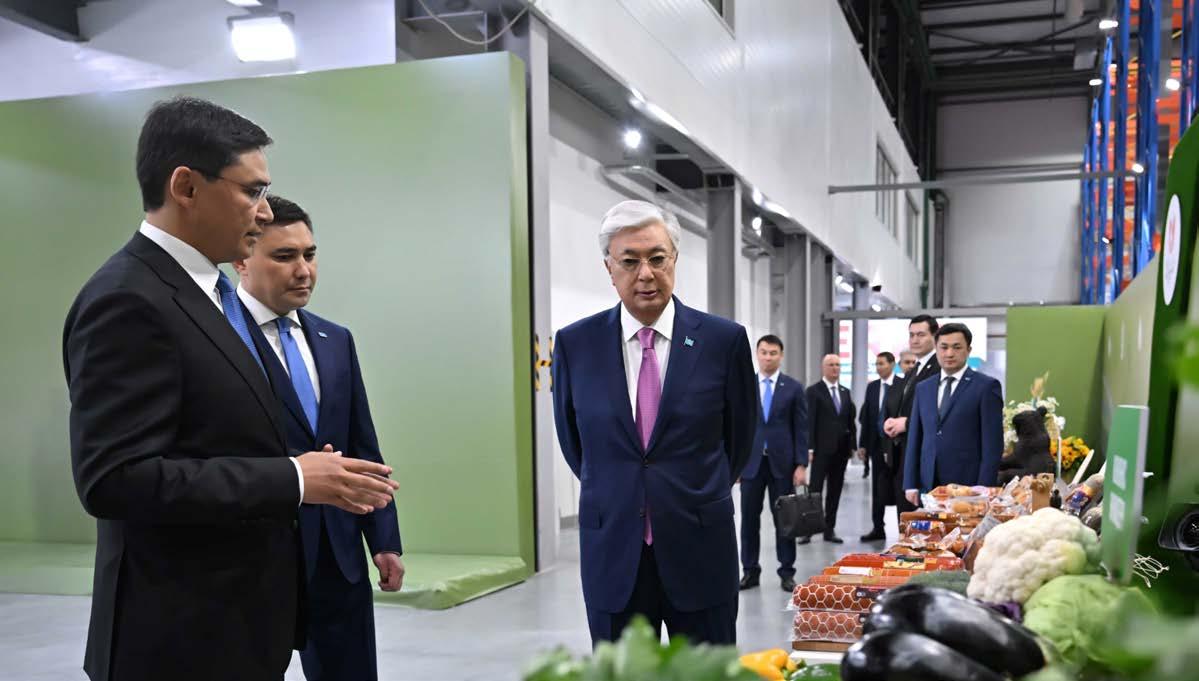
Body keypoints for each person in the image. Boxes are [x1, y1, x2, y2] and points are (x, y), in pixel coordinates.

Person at [62, 97, 397, 681]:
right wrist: (294, 479)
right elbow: (115, 479)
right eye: (252, 191)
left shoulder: (209, 297)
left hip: (238, 627)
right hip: (178, 638)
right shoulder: (128, 300)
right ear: (186, 187)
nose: (264, 213)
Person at [552, 200, 756, 646]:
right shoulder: (575, 345)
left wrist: (695, 489)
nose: (645, 274)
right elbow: (575, 443)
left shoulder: (723, 342)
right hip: (614, 552)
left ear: (674, 259)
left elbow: (740, 438)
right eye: (629, 261)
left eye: (657, 258)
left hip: (701, 548)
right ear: (609, 268)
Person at [233, 195, 403, 681]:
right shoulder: (218, 339)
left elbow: (362, 447)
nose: (303, 270)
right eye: (284, 256)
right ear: (242, 259)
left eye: (309, 254)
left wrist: (383, 540)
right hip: (253, 558)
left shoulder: (335, 340)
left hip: (336, 556)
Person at [738, 335, 808, 593]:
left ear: (781, 355)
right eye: (764, 352)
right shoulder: (744, 385)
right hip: (751, 464)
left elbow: (801, 428)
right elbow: (736, 425)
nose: (768, 357)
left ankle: (787, 572)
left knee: (785, 520)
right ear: (757, 354)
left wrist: (801, 464)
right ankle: (750, 571)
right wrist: (734, 463)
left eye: (773, 353)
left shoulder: (793, 388)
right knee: (749, 521)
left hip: (783, 465)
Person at [903, 323, 1004, 501]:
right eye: (944, 347)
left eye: (957, 347)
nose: (949, 353)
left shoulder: (986, 387)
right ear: (936, 349)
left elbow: (993, 446)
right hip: (929, 483)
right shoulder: (924, 388)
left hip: (968, 485)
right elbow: (915, 437)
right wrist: (910, 483)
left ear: (968, 350)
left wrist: (984, 488)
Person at [882, 315, 941, 517]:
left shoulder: (939, 367)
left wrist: (906, 423)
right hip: (904, 453)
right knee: (906, 521)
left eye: (921, 335)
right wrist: (893, 421)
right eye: (911, 335)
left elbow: (939, 411)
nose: (915, 340)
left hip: (924, 456)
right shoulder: (914, 369)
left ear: (934, 336)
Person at [803, 354, 857, 544]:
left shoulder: (845, 392)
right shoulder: (813, 391)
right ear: (823, 367)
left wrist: (853, 446)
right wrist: (809, 448)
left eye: (837, 365)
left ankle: (829, 529)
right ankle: (809, 530)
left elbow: (850, 421)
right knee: (814, 491)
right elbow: (809, 422)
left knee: (835, 490)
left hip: (840, 452)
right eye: (831, 365)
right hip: (820, 451)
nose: (835, 368)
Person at [858, 352, 896, 541]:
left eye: (882, 363)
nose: (879, 367)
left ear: (892, 364)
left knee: (898, 487)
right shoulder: (872, 387)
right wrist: (863, 444)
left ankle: (904, 529)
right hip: (876, 445)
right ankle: (878, 527)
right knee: (877, 488)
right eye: (876, 364)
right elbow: (867, 418)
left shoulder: (901, 384)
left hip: (896, 445)